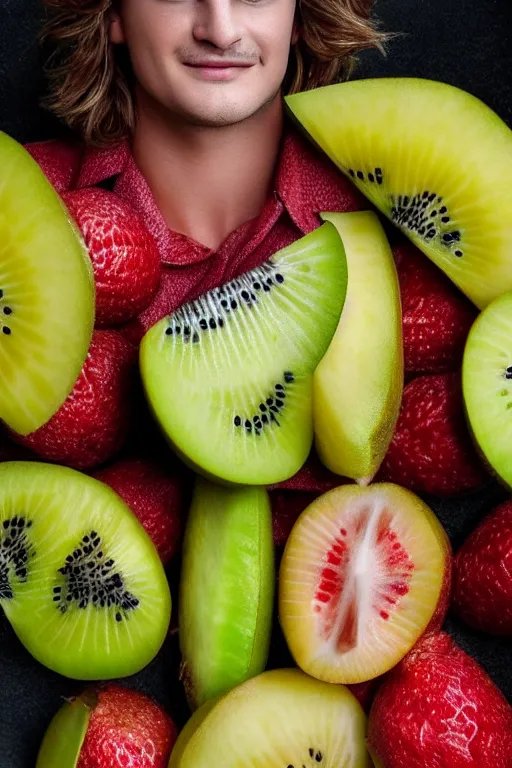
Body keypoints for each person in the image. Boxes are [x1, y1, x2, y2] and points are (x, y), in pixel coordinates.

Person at [27, 0, 388, 501]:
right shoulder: (18, 213)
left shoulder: (394, 226)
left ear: (300, 17)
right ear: (112, 15)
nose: (219, 30)